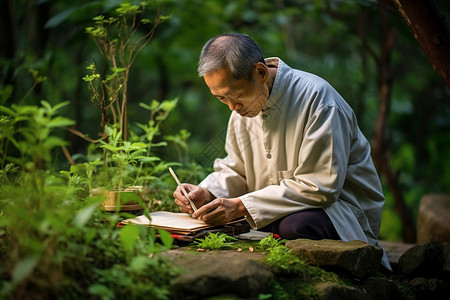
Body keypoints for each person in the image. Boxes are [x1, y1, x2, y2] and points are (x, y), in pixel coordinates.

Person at [173, 33, 391, 270]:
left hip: (338, 211)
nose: (232, 108)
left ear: (260, 73)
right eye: (221, 98)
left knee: (295, 226)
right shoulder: (241, 110)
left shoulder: (318, 99)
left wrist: (239, 206)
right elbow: (236, 168)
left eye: (235, 95)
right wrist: (206, 193)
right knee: (258, 220)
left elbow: (320, 187)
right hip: (277, 211)